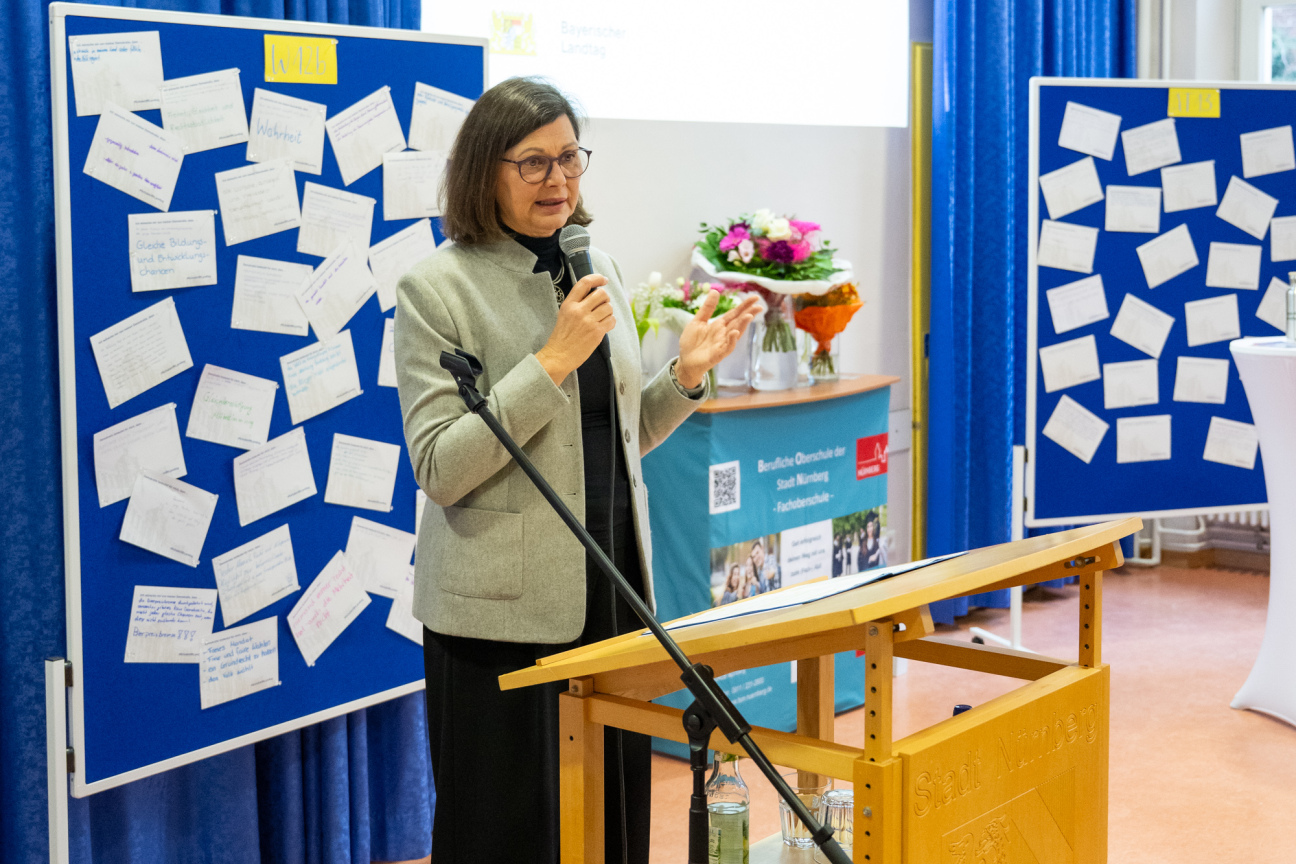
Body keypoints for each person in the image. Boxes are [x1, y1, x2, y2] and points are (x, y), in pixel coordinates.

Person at [393, 77, 758, 864]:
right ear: (485, 171)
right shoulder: (436, 288)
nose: (558, 179)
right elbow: (440, 466)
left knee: (608, 813)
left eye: (569, 158)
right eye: (533, 162)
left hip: (611, 585)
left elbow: (612, 441)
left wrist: (686, 377)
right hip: (499, 616)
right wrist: (550, 361)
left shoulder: (598, 268)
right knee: (509, 831)